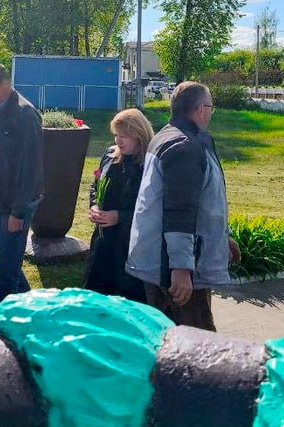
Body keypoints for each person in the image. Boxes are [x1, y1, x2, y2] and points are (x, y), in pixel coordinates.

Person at [126, 81, 241, 331]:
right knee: (196, 342)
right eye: (210, 107)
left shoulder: (168, 136)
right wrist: (181, 268)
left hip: (168, 261)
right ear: (200, 109)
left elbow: (202, 203)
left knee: (166, 338)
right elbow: (179, 210)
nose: (211, 113)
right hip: (175, 269)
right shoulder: (184, 147)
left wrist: (223, 237)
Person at [0, 61, 43, 304]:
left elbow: (31, 168)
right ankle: (32, 307)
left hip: (13, 204)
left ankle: (2, 318)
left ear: (4, 84)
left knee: (6, 267)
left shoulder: (25, 114)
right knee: (3, 260)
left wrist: (18, 211)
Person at [84, 108, 154, 303]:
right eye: (116, 135)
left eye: (124, 136)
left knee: (126, 299)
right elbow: (96, 185)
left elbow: (152, 208)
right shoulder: (109, 155)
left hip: (130, 244)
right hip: (103, 241)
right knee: (96, 297)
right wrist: (94, 205)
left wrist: (120, 216)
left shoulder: (149, 164)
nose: (118, 141)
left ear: (139, 135)